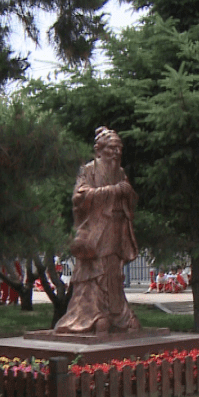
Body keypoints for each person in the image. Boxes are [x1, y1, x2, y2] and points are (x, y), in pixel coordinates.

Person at [55, 127, 142, 334]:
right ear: (98, 150)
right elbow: (79, 197)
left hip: (115, 229)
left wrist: (126, 193)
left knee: (113, 273)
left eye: (119, 149)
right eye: (112, 148)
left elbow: (129, 196)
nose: (116, 153)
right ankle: (92, 315)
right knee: (95, 272)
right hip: (96, 232)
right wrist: (112, 191)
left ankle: (118, 314)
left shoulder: (119, 173)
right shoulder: (89, 170)